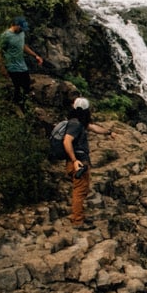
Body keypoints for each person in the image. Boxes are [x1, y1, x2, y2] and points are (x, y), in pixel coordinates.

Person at [0, 16, 43, 105]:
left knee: (26, 87)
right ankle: (16, 108)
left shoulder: (21, 33)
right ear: (16, 25)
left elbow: (23, 46)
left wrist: (35, 56)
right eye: (22, 28)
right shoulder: (6, 36)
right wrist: (2, 68)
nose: (23, 30)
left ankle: (23, 106)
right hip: (12, 66)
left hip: (22, 66)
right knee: (17, 88)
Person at [62, 97, 93, 229]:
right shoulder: (75, 124)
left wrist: (109, 132)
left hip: (78, 161)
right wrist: (75, 161)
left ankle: (77, 215)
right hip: (78, 162)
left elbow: (93, 127)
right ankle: (78, 221)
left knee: (81, 189)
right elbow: (66, 141)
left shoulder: (77, 122)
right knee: (79, 191)